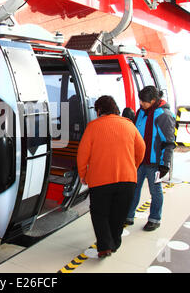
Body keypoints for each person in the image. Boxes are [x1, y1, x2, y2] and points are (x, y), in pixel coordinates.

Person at [77, 95, 145, 258]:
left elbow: (82, 154)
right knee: (119, 213)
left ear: (99, 110)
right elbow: (141, 149)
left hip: (100, 180)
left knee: (100, 213)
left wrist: (83, 174)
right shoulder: (129, 125)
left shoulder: (93, 126)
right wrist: (132, 167)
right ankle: (114, 243)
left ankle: (105, 246)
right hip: (127, 179)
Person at [125, 86, 176, 231]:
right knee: (133, 188)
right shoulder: (141, 112)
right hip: (139, 160)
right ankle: (128, 215)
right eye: (140, 100)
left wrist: (164, 164)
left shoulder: (164, 115)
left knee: (155, 191)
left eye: (144, 101)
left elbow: (169, 142)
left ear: (153, 100)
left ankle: (154, 219)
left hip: (155, 162)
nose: (141, 103)